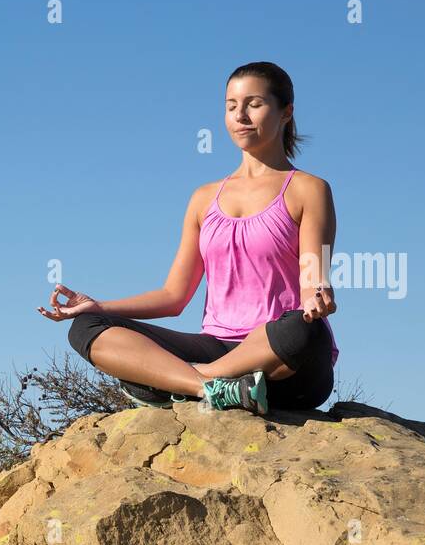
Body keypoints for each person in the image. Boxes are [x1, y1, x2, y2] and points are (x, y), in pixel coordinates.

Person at [39, 61, 339, 416]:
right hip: (216, 346)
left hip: (281, 359)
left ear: (286, 112)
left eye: (254, 104)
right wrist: (99, 306)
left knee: (306, 330)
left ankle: (179, 380)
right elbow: (174, 296)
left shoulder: (310, 189)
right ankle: (209, 387)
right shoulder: (203, 198)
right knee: (86, 327)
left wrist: (318, 297)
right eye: (231, 106)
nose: (240, 116)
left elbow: (313, 279)